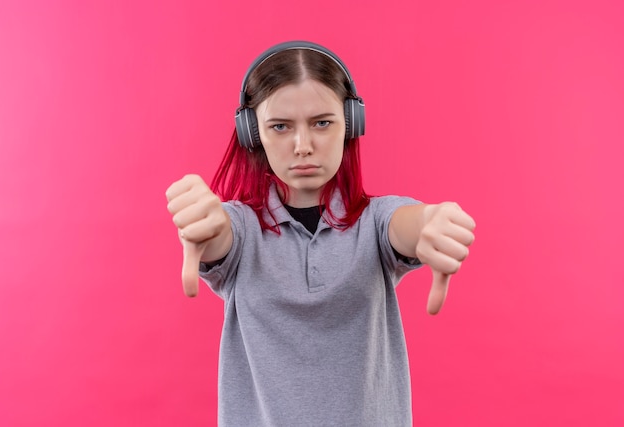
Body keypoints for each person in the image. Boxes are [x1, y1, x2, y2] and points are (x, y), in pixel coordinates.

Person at [165, 41, 475, 427]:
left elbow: (407, 225)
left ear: (351, 123)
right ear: (252, 133)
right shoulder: (239, 228)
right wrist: (201, 226)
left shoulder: (376, 222)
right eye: (280, 126)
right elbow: (218, 237)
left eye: (322, 123)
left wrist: (431, 221)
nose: (303, 146)